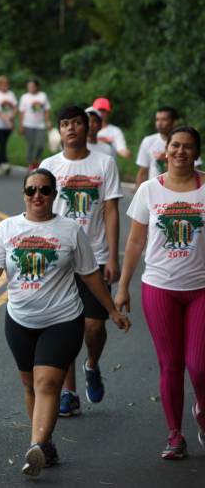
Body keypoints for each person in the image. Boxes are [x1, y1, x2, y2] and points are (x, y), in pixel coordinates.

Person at [0, 168, 130, 476]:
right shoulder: (8, 228)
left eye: (45, 190)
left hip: (62, 319)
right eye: (31, 190)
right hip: (20, 320)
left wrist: (112, 310)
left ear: (54, 195)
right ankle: (45, 444)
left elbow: (90, 275)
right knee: (30, 386)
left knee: (47, 383)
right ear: (24, 194)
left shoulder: (70, 230)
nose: (38, 195)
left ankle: (35, 446)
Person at [115, 126, 205, 459]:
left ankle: (202, 409)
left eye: (188, 146)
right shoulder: (149, 190)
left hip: (200, 289)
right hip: (159, 288)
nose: (181, 151)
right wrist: (123, 286)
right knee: (171, 364)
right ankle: (175, 435)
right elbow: (135, 240)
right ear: (165, 151)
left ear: (197, 153)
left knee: (198, 365)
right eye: (175, 146)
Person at [39, 106, 122, 416]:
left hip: (96, 255)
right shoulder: (49, 165)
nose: (71, 128)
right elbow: (40, 210)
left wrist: (113, 256)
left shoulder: (104, 163)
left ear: (88, 127)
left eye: (76, 123)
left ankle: (92, 364)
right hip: (58, 257)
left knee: (93, 325)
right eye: (65, 124)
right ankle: (69, 392)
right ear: (59, 130)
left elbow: (111, 210)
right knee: (64, 326)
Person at [134, 106, 196, 186]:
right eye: (157, 119)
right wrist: (139, 192)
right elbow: (142, 172)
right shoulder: (148, 141)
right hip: (154, 190)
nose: (159, 123)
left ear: (175, 122)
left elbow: (196, 170)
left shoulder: (187, 141)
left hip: (181, 189)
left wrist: (168, 159)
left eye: (164, 119)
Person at [18, 79, 51, 171]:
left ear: (37, 87)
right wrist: (21, 125)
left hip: (40, 124)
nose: (30, 88)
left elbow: (46, 110)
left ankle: (36, 160)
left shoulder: (43, 95)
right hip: (28, 124)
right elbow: (22, 112)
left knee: (41, 145)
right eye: (29, 86)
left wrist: (48, 122)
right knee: (30, 145)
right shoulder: (24, 97)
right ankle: (30, 164)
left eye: (32, 86)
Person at [0, 75, 17, 175]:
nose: (5, 86)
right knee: (2, 143)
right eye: (2, 84)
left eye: (6, 84)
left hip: (8, 125)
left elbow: (15, 107)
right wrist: (7, 121)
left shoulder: (11, 94)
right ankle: (5, 163)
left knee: (4, 144)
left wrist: (12, 118)